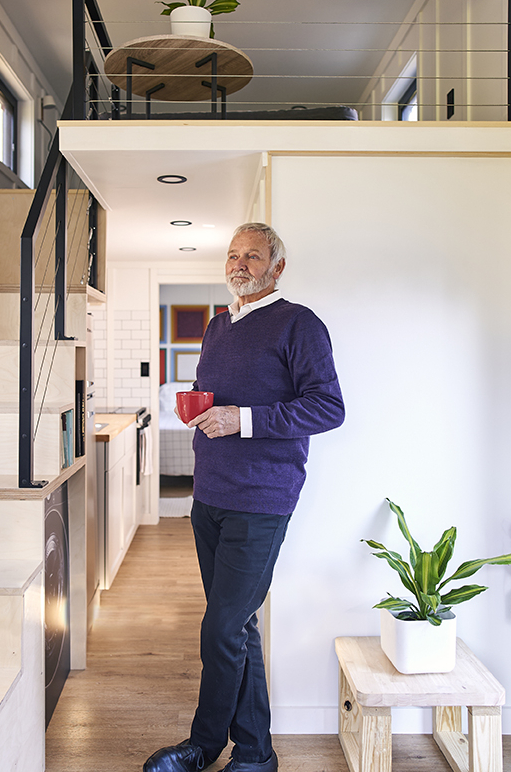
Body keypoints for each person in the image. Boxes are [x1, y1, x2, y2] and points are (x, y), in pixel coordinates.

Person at [144, 223, 345, 772]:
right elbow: (223, 399)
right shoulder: (216, 326)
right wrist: (203, 407)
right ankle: (256, 752)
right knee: (238, 624)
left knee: (222, 627)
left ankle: (204, 744)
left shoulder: (299, 324)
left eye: (253, 256)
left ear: (277, 267)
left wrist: (243, 419)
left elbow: (328, 408)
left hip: (262, 497)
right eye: (234, 255)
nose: (240, 264)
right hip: (208, 494)